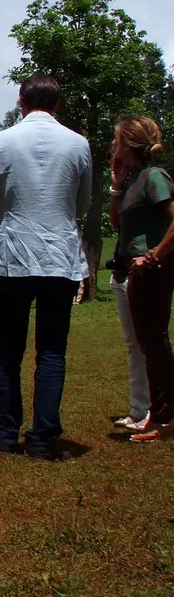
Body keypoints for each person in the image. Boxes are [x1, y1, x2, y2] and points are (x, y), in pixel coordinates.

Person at [0, 74, 92, 459]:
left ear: (21, 100)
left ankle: (6, 431)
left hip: (15, 256)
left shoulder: (0, 142)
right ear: (57, 104)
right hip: (59, 256)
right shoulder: (79, 144)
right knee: (52, 350)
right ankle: (42, 437)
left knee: (9, 347)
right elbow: (83, 203)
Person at [108, 116, 174, 443]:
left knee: (155, 343)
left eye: (117, 139)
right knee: (147, 343)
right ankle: (154, 416)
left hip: (152, 271)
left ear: (130, 143)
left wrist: (154, 254)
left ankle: (165, 417)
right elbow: (118, 225)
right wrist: (116, 186)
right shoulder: (134, 179)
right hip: (132, 271)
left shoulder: (154, 177)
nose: (113, 145)